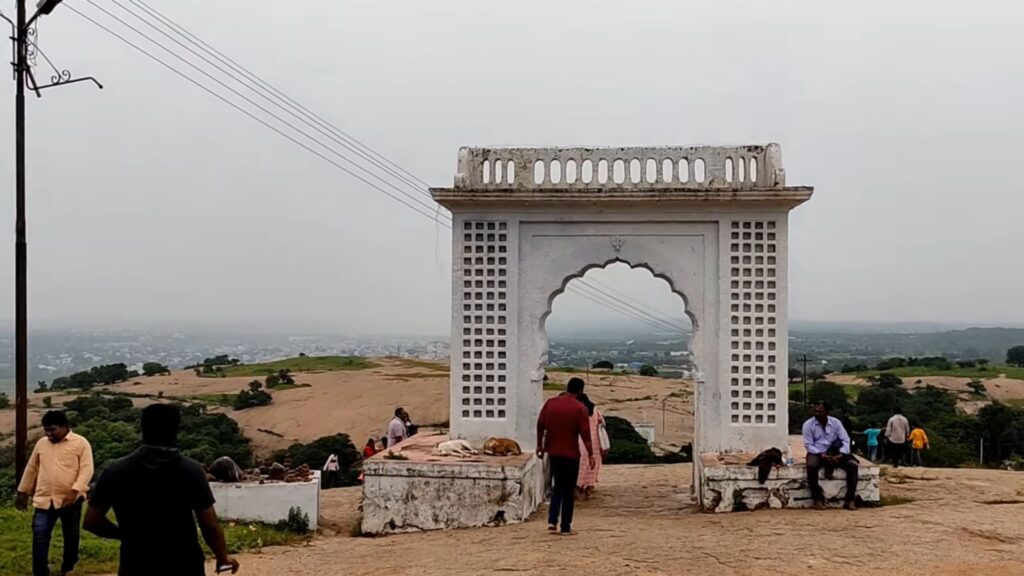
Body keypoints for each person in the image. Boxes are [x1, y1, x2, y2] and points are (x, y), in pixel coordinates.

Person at [83, 403, 239, 576]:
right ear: (176, 430)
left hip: (135, 564)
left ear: (142, 429)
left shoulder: (114, 470)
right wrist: (222, 556)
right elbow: (209, 524)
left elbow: (91, 521)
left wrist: (126, 535)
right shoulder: (190, 470)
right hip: (184, 563)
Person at [16, 410, 94, 576]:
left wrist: (75, 491)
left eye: (52, 430)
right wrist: (22, 491)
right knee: (39, 535)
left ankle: (68, 568)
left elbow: (87, 469)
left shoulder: (81, 443)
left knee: (71, 535)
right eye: (46, 430)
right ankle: (40, 572)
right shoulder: (42, 443)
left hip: (71, 500)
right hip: (44, 499)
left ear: (65, 427)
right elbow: (32, 468)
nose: (49, 434)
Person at [536, 377, 595, 535]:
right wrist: (591, 454)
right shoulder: (580, 408)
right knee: (568, 491)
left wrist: (539, 446)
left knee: (557, 487)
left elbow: (540, 425)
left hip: (553, 452)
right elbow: (585, 435)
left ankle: (552, 521)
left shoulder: (551, 403)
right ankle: (565, 527)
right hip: (571, 454)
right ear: (581, 390)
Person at [802, 402, 859, 511]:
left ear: (826, 412)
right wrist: (821, 454)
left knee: (853, 466)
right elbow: (808, 445)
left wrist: (841, 454)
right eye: (815, 411)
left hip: (835, 452)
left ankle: (850, 500)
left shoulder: (836, 423)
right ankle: (817, 499)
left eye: (820, 411)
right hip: (818, 452)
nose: (817, 413)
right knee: (811, 466)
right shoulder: (808, 425)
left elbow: (845, 439)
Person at [575, 393, 606, 499]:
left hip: (583, 440)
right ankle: (589, 488)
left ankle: (579, 486)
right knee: (593, 465)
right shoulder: (596, 410)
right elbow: (601, 422)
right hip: (596, 440)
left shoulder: (580, 411)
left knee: (582, 464)